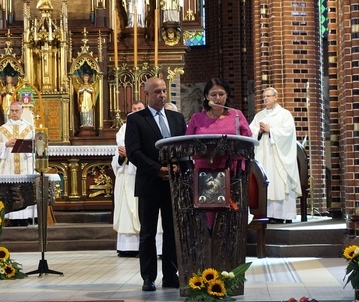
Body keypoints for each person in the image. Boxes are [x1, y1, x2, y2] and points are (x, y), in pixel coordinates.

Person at [125, 77, 186, 292]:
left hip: (174, 183)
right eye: (157, 92)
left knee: (172, 231)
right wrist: (157, 169)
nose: (162, 95)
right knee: (148, 232)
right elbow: (133, 152)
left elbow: (183, 147)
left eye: (164, 91)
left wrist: (178, 166)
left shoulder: (177, 118)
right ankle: (148, 277)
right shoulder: (136, 119)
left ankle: (171, 275)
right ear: (147, 95)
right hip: (149, 182)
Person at [185, 78, 253, 227]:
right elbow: (187, 143)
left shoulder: (236, 115)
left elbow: (248, 140)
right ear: (206, 97)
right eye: (213, 94)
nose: (218, 98)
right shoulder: (197, 118)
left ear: (227, 95)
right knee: (207, 215)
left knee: (228, 216)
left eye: (221, 94)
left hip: (231, 170)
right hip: (204, 171)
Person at [112, 100, 163, 257]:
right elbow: (117, 157)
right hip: (128, 175)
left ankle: (155, 248)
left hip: (146, 173)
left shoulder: (150, 124)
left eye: (139, 108)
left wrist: (133, 153)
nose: (135, 111)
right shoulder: (124, 129)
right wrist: (122, 156)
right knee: (128, 211)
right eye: (133, 109)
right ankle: (128, 247)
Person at [249, 87, 302, 223]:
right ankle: (268, 214)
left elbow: (288, 132)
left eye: (269, 96)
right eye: (264, 96)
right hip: (264, 155)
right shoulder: (259, 115)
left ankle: (284, 215)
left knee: (279, 180)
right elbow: (251, 131)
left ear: (275, 97)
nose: (266, 98)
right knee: (266, 181)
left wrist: (271, 130)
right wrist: (259, 131)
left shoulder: (284, 114)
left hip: (279, 156)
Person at [0, 102, 36, 226]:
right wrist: (5, 144)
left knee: (23, 191)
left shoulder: (30, 128)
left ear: (21, 112)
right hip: (8, 166)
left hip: (25, 164)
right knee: (11, 191)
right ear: (9, 112)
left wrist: (22, 145)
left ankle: (25, 217)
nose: (14, 113)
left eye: (17, 111)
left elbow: (36, 146)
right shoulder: (2, 129)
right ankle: (11, 217)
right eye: (12, 111)